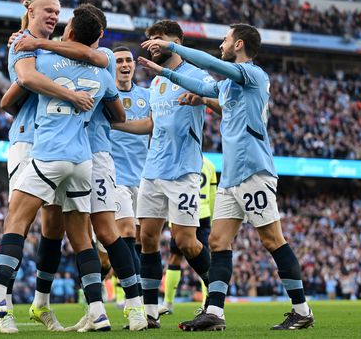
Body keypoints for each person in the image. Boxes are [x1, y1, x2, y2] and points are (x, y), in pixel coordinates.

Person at [0, 4, 123, 333]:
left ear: (71, 31)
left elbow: (18, 87)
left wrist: (32, 41)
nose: (58, 21)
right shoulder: (103, 67)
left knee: (16, 219)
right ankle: (97, 310)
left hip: (47, 152)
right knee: (80, 237)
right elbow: (108, 83)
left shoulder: (39, 58)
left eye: (64, 18)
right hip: (83, 160)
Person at [138, 23, 314, 330]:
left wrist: (173, 49)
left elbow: (211, 65)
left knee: (273, 239)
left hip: (254, 171)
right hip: (231, 177)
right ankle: (215, 313)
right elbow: (205, 89)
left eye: (225, 39)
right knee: (218, 242)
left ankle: (302, 310)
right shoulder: (229, 86)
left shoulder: (253, 74)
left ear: (239, 44)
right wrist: (163, 72)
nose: (221, 44)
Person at [11, 5, 146, 332]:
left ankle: (113, 307)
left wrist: (35, 43)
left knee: (91, 231)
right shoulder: (85, 60)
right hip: (85, 155)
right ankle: (123, 308)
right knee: (67, 231)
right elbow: (119, 116)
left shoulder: (96, 59)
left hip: (87, 153)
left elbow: (14, 95)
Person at [0, 0, 94, 334]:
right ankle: (3, 308)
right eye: (47, 11)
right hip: (27, 142)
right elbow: (17, 90)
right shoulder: (22, 44)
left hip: (56, 146)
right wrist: (69, 94)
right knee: (18, 220)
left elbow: (87, 54)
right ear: (30, 11)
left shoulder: (52, 49)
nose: (54, 16)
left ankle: (41, 303)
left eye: (57, 12)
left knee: (52, 228)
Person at [112, 20, 214, 327]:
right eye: (150, 39)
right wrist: (116, 124)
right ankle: (151, 312)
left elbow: (220, 99)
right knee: (148, 239)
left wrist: (204, 98)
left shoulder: (196, 75)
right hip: (151, 172)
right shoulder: (156, 82)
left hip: (182, 172)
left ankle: (217, 294)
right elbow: (151, 125)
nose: (153, 43)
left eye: (160, 38)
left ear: (177, 41)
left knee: (185, 241)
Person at [109, 46, 150, 297]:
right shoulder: (106, 95)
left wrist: (118, 124)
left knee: (142, 240)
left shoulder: (146, 96)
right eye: (119, 61)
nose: (125, 64)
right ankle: (136, 298)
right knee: (126, 231)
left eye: (128, 60)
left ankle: (140, 295)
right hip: (115, 176)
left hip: (143, 177)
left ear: (134, 65)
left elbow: (151, 126)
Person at [160, 155, 217, 315]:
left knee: (175, 257)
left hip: (182, 215)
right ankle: (206, 302)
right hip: (203, 214)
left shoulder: (178, 160)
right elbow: (213, 194)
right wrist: (212, 220)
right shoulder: (210, 165)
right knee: (204, 258)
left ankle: (168, 302)